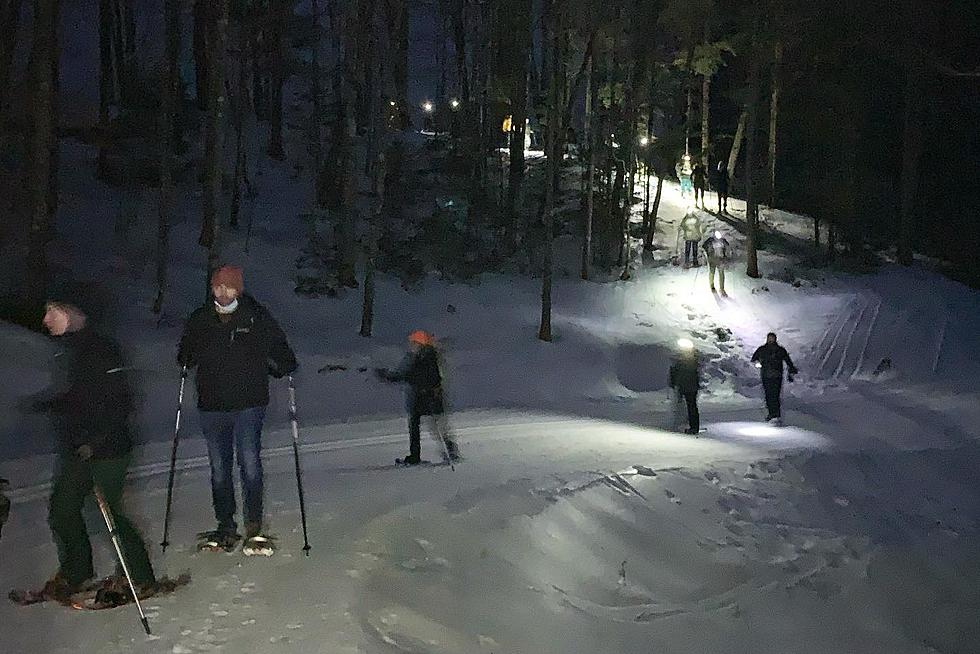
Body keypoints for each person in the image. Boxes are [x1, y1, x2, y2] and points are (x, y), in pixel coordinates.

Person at [22, 302, 155, 601]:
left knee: (110, 512)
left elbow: (119, 402)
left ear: (70, 312)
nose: (45, 320)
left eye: (51, 312)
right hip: (77, 448)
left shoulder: (101, 349)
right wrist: (49, 405)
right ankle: (77, 571)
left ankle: (140, 577)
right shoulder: (69, 349)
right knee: (62, 509)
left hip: (107, 447)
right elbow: (78, 396)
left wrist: (95, 440)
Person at [177, 265, 297, 553]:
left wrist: (283, 364)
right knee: (219, 468)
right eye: (218, 286)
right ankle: (226, 526)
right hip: (212, 404)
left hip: (248, 402)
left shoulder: (254, 316)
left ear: (238, 289)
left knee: (250, 464)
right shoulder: (201, 318)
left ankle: (253, 527)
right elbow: (185, 355)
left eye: (229, 287)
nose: (222, 292)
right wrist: (186, 356)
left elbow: (279, 348)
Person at [376, 330, 461, 465]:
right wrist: (388, 376)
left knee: (437, 425)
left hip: (431, 397)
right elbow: (404, 375)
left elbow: (433, 378)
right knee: (417, 425)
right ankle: (417, 455)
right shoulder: (415, 357)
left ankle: (451, 452)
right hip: (419, 398)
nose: (412, 346)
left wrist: (423, 385)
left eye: (414, 343)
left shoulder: (430, 357)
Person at [751, 333, 799, 423]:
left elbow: (787, 360)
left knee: (776, 394)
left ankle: (776, 414)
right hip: (766, 375)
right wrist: (758, 362)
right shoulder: (762, 349)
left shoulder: (780, 350)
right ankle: (771, 413)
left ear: (775, 339)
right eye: (769, 338)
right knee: (768, 395)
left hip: (777, 375)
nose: (770, 340)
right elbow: (754, 358)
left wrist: (791, 368)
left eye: (772, 338)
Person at [669, 339, 701, 435]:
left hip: (688, 386)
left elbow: (678, 372)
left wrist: (674, 382)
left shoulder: (688, 361)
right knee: (688, 406)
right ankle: (686, 424)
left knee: (691, 406)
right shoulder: (685, 361)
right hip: (686, 386)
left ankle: (693, 427)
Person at [702, 230, 732, 295]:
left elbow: (727, 247)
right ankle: (712, 286)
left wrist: (726, 255)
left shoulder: (723, 240)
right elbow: (704, 246)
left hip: (721, 259)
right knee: (712, 272)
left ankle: (722, 288)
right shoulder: (710, 240)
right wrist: (707, 253)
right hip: (712, 259)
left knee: (721, 274)